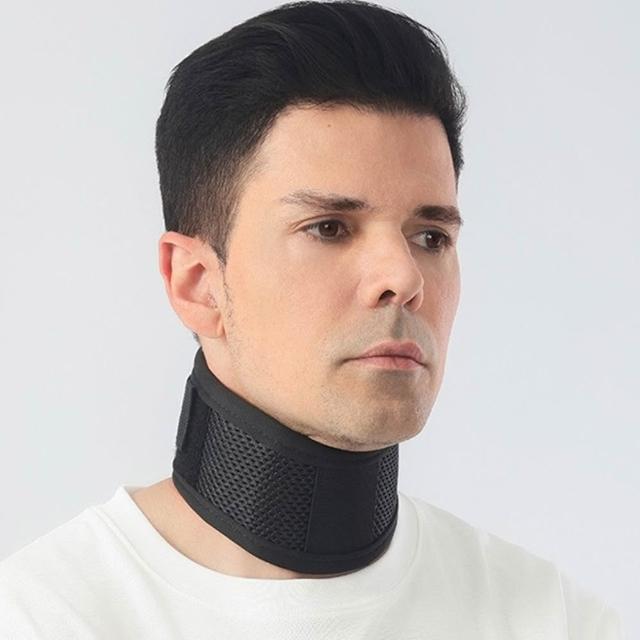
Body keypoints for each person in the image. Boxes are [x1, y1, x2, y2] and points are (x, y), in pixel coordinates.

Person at [0, 1, 626, 638]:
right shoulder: (43, 618)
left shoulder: (553, 619)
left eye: (430, 236)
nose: (404, 277)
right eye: (329, 228)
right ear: (197, 284)